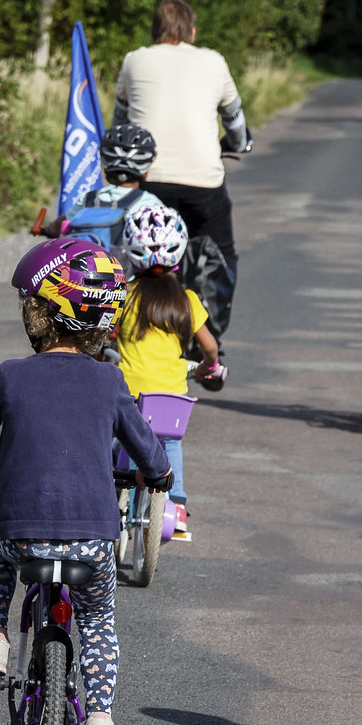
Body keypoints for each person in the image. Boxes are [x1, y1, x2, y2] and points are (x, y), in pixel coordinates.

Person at [0, 238, 171, 725]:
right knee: (97, 622)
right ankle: (99, 723)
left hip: (20, 534)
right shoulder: (111, 380)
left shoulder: (9, 375)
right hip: (93, 540)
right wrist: (156, 474)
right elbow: (152, 457)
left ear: (42, 312)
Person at [113, 0, 250, 344]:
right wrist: (239, 142)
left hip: (148, 179)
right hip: (201, 181)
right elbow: (234, 118)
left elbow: (120, 122)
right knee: (221, 251)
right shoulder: (214, 61)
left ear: (154, 31)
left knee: (130, 246)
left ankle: (118, 326)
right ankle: (213, 333)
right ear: (192, 31)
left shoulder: (134, 60)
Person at [112, 205, 221, 543]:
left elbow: (106, 334)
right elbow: (211, 347)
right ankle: (178, 505)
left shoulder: (125, 297)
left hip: (129, 393)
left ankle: (104, 495)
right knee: (170, 441)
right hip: (169, 397)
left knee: (111, 437)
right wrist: (210, 368)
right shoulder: (187, 300)